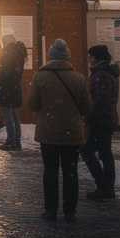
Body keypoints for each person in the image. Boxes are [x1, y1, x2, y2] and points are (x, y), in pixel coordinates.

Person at [27, 38, 91, 223]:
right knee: (71, 171)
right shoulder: (79, 78)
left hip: (48, 132)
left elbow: (32, 104)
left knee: (50, 171)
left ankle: (50, 210)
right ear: (67, 58)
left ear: (50, 57)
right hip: (72, 131)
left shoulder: (40, 77)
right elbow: (87, 106)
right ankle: (70, 211)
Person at [82, 44, 120, 201]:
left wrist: (89, 118)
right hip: (107, 119)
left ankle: (104, 185)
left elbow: (101, 100)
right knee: (105, 153)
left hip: (101, 121)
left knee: (86, 151)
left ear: (98, 58)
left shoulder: (101, 74)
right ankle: (108, 186)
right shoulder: (106, 72)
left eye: (91, 57)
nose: (89, 60)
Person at [0, 34, 28, 151]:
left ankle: (10, 141)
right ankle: (17, 141)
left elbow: (2, 72)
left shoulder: (8, 54)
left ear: (6, 42)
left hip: (6, 88)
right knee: (14, 114)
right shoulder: (19, 54)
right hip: (14, 88)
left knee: (8, 115)